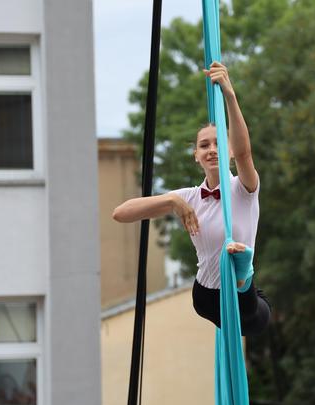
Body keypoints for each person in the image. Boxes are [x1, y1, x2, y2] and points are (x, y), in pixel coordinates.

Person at [113, 61, 270, 336]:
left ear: (230, 150)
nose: (211, 150)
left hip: (242, 300)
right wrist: (172, 202)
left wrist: (230, 96)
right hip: (207, 296)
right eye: (204, 145)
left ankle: (243, 277)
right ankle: (242, 275)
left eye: (218, 143)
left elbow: (246, 154)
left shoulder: (243, 189)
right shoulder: (189, 197)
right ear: (195, 155)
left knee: (259, 316)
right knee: (245, 303)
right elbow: (121, 213)